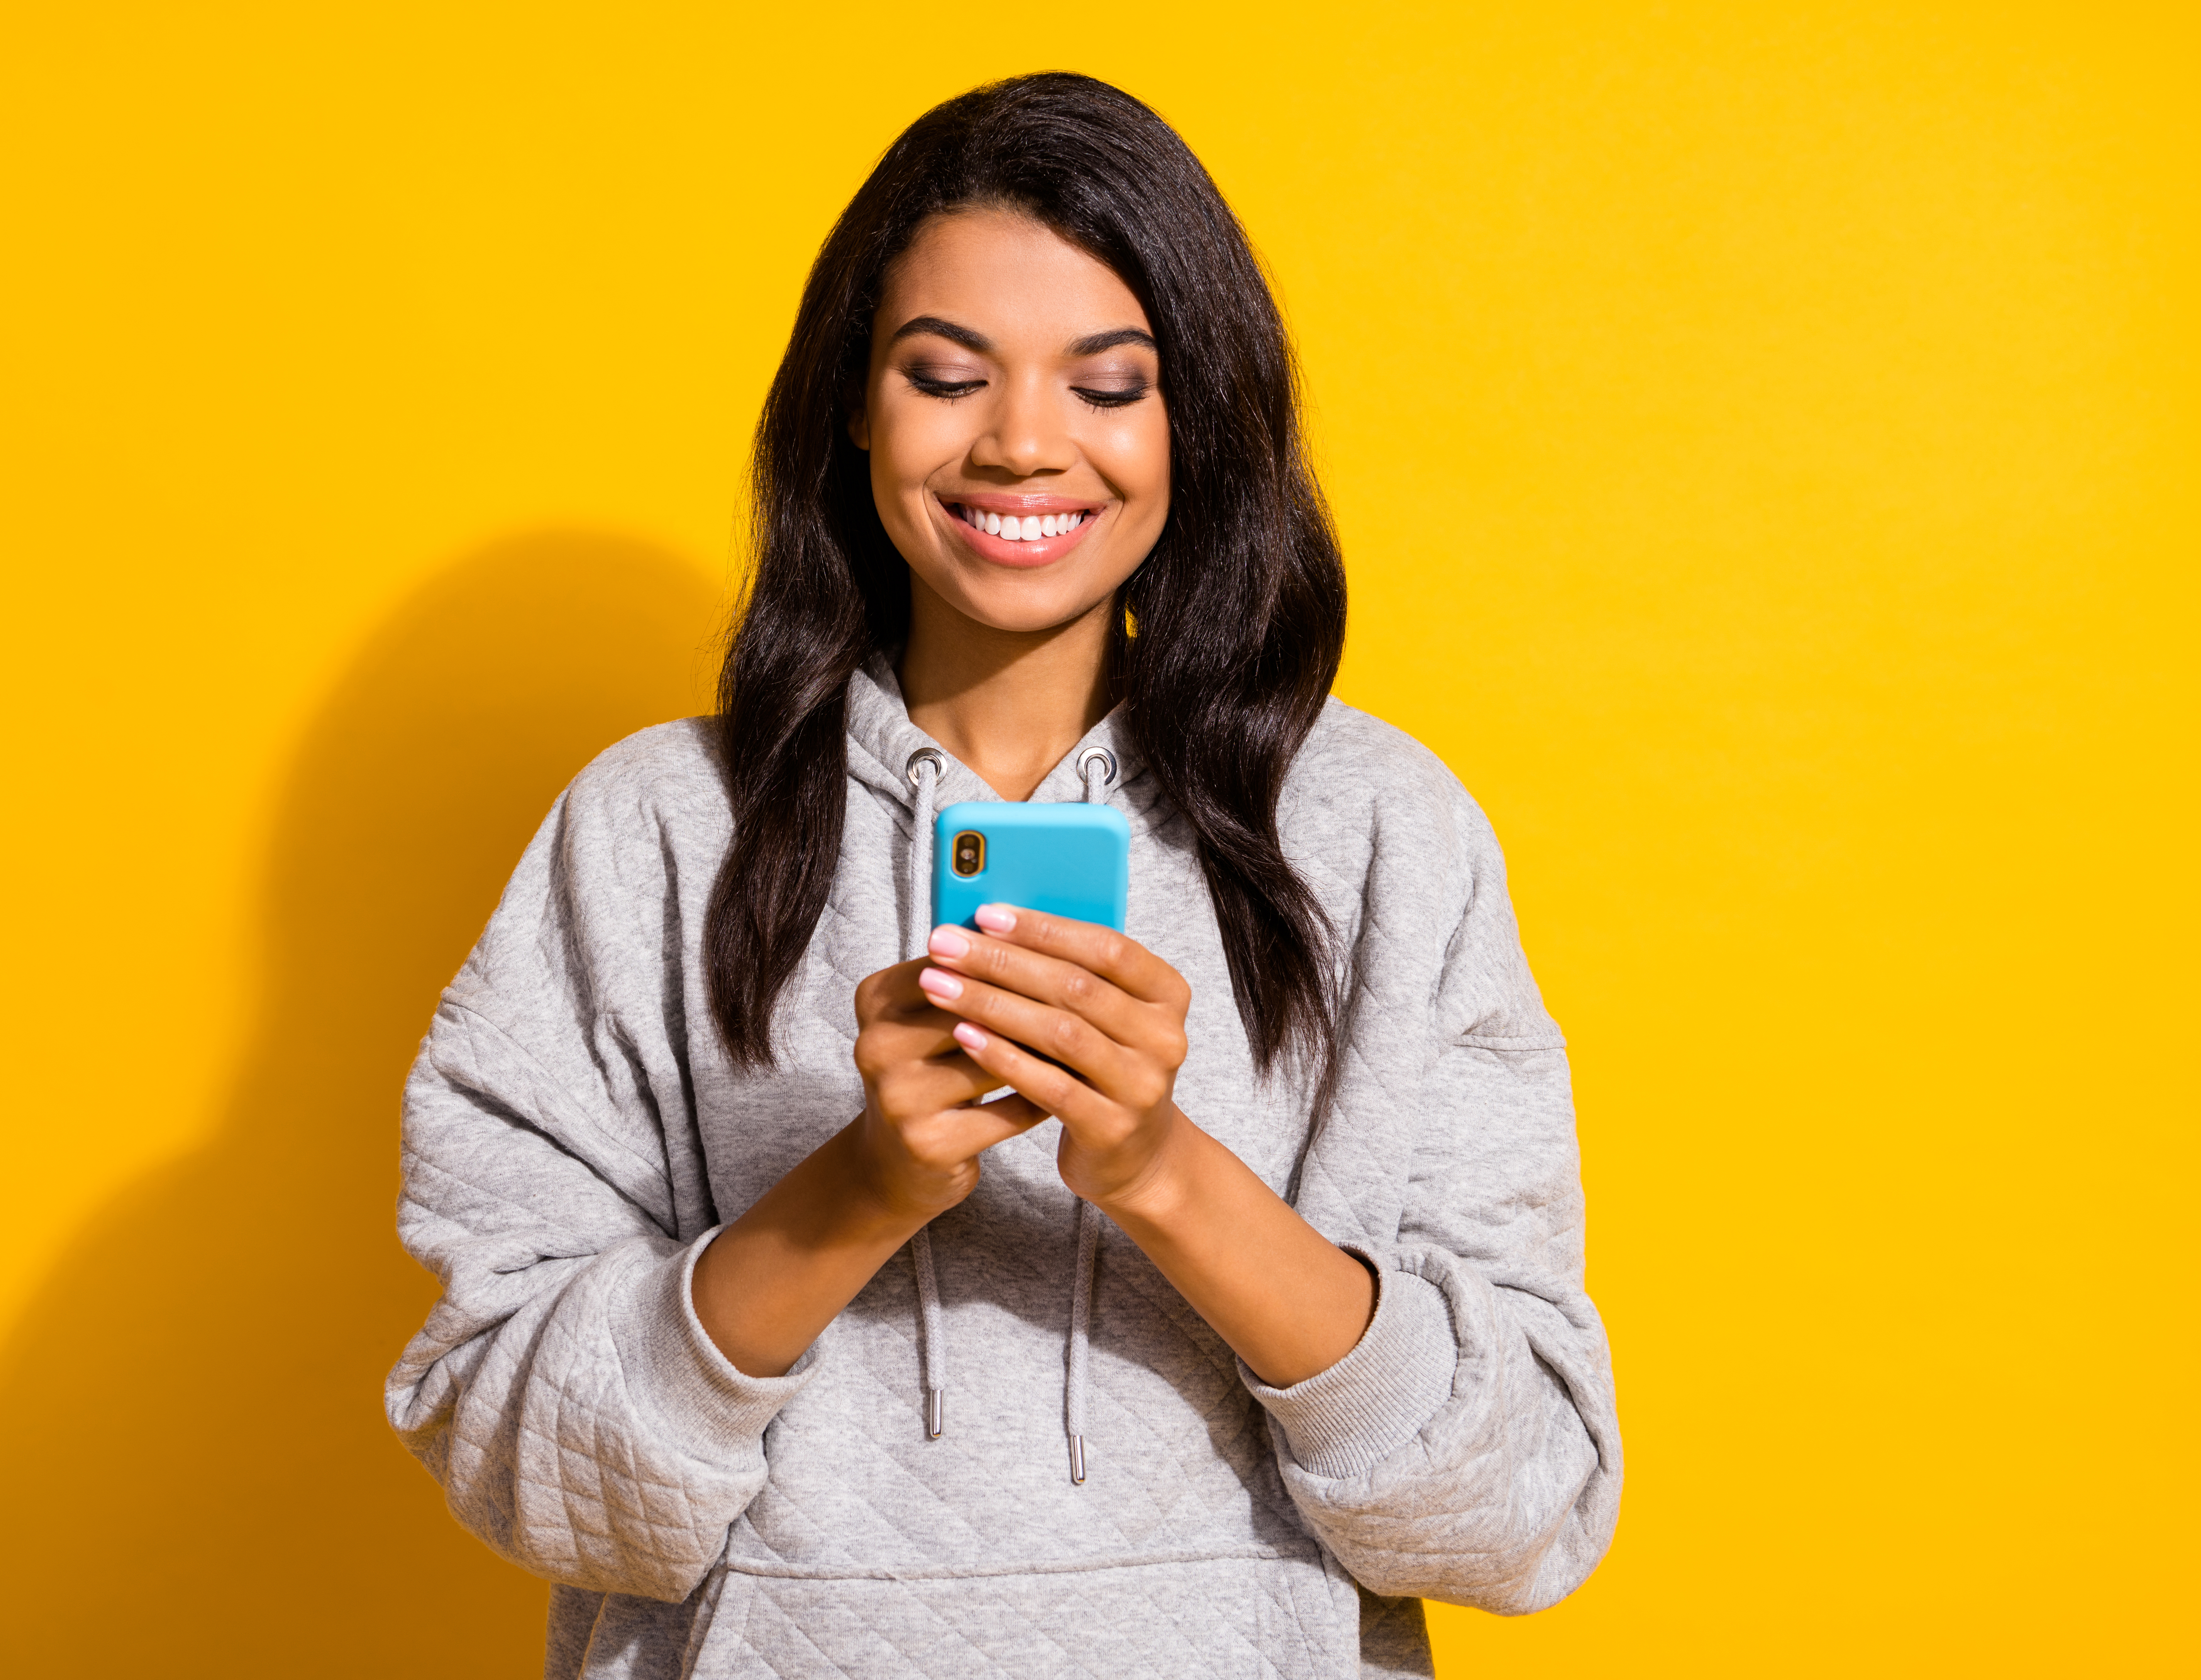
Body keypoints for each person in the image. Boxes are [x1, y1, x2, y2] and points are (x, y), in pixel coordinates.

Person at [386, 72, 1620, 1679]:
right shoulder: (653, 834)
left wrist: (1166, 1171)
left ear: (1199, 419)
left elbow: (1522, 1508)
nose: (1024, 443)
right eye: (947, 376)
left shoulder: (1380, 833)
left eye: (1110, 384)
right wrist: (863, 1186)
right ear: (850, 402)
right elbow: (511, 1459)